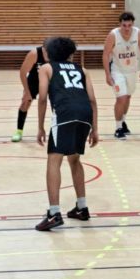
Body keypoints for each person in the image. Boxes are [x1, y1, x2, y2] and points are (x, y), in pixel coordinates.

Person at [35, 37, 99, 231]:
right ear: (71, 53)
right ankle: (82, 208)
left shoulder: (46, 68)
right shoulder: (82, 70)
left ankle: (54, 213)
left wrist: (40, 127)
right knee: (74, 159)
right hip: (85, 114)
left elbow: (43, 98)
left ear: (49, 53)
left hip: (64, 114)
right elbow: (93, 100)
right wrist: (95, 128)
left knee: (54, 160)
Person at [102, 12, 140, 139]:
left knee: (128, 97)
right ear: (120, 24)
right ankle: (118, 128)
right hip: (117, 71)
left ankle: (123, 122)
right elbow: (105, 55)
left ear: (133, 24)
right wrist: (107, 74)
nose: (127, 28)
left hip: (132, 71)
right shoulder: (113, 35)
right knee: (121, 98)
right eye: (124, 25)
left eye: (129, 25)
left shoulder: (138, 33)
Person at [12, 40, 49, 142]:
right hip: (34, 81)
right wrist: (27, 92)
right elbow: (23, 72)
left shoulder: (57, 53)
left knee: (58, 105)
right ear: (43, 48)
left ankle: (59, 131)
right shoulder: (34, 54)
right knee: (25, 103)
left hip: (50, 80)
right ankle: (19, 131)